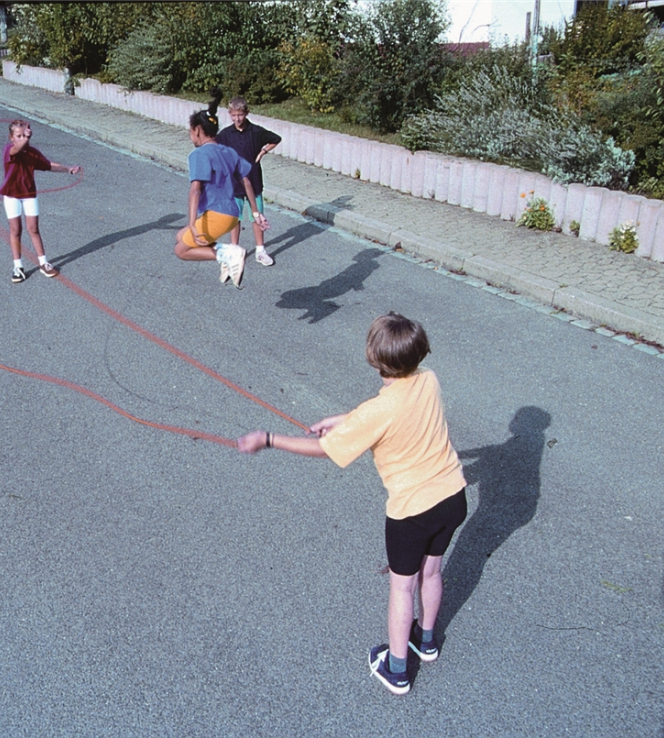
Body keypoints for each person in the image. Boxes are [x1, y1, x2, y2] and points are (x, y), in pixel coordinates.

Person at [237, 313, 467, 696]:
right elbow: (383, 415)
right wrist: (343, 420)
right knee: (432, 572)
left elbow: (326, 449)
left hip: (412, 512)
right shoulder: (429, 379)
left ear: (376, 362)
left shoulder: (378, 411)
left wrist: (270, 438)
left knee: (402, 588)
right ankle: (426, 642)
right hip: (452, 497)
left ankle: (396, 670)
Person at [173, 90, 268, 289]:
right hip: (232, 215)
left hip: (217, 215)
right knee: (180, 236)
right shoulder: (228, 151)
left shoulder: (199, 154)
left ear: (198, 130)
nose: (191, 136)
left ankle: (228, 253)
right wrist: (256, 212)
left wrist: (191, 222)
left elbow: (195, 191)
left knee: (181, 250)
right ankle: (225, 257)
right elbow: (247, 182)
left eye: (191, 131)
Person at [0, 119, 81, 283]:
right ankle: (18, 266)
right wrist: (25, 139)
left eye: (24, 135)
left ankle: (43, 263)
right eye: (18, 136)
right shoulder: (10, 150)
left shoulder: (32, 152)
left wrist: (67, 169)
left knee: (33, 228)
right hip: (11, 195)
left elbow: (48, 165)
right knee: (15, 230)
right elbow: (17, 149)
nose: (22, 138)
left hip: (29, 194)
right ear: (11, 138)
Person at [216, 96, 281, 267]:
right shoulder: (225, 135)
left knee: (257, 214)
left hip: (254, 180)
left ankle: (260, 250)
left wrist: (263, 152)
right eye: (234, 115)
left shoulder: (256, 132)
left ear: (247, 113)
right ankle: (235, 250)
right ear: (229, 114)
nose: (237, 119)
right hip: (234, 183)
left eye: (241, 115)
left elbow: (276, 138)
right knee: (234, 218)